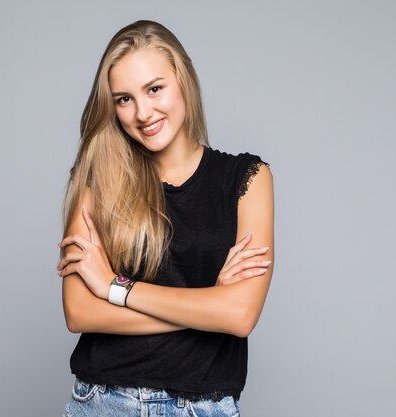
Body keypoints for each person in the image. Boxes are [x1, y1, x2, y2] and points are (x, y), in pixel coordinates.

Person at [56, 20, 274, 417]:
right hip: (105, 402)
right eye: (124, 99)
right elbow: (79, 313)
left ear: (183, 78)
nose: (142, 112)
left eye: (154, 89)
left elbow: (239, 316)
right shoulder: (98, 180)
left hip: (204, 407)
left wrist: (114, 287)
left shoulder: (248, 179)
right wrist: (209, 304)